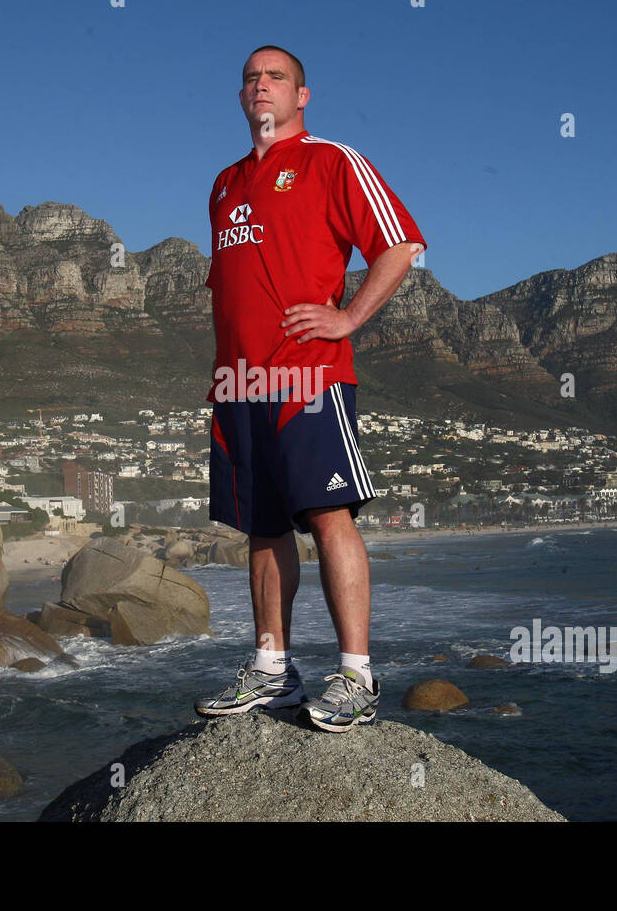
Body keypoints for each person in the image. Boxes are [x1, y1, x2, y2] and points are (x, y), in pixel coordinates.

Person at [195, 45, 426, 732]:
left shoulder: (332, 161)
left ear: (302, 95)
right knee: (261, 528)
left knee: (330, 517)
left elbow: (401, 245)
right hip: (239, 383)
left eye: (276, 78)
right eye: (250, 78)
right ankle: (272, 670)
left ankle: (356, 676)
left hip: (309, 375)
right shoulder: (224, 183)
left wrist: (349, 315)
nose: (260, 86)